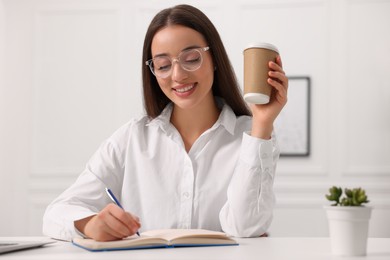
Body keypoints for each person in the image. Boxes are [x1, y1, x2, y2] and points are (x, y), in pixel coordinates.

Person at [43, 4, 288, 242]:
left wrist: (262, 122)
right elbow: (56, 214)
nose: (178, 75)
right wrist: (90, 224)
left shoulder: (252, 135)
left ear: (214, 58)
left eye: (191, 59)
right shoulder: (132, 138)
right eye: (162, 65)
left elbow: (246, 226)